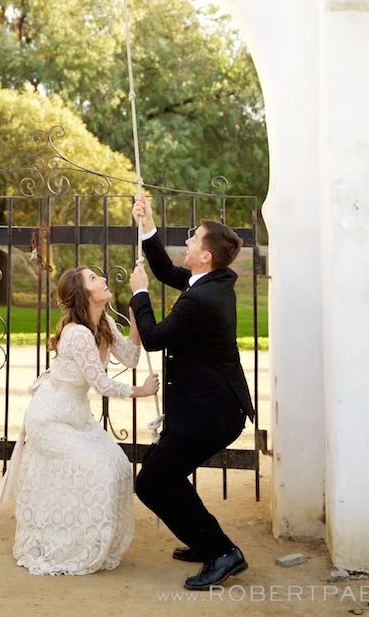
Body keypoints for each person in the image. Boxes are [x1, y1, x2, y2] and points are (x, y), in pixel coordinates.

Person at [0, 265, 159, 576]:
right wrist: (141, 391)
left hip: (76, 415)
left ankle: (91, 540)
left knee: (118, 466)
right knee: (98, 471)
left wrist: (136, 313)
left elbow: (131, 357)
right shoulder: (77, 334)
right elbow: (102, 385)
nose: (104, 279)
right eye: (94, 279)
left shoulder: (103, 321)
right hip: (50, 417)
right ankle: (67, 544)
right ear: (83, 294)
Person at [129, 192, 255, 590]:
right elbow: (168, 270)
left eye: (192, 238)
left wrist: (139, 294)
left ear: (206, 256)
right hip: (208, 410)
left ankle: (222, 552)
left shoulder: (202, 299)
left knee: (151, 481)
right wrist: (146, 225)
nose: (185, 241)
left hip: (210, 415)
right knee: (165, 473)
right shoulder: (210, 281)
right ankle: (207, 542)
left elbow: (152, 338)